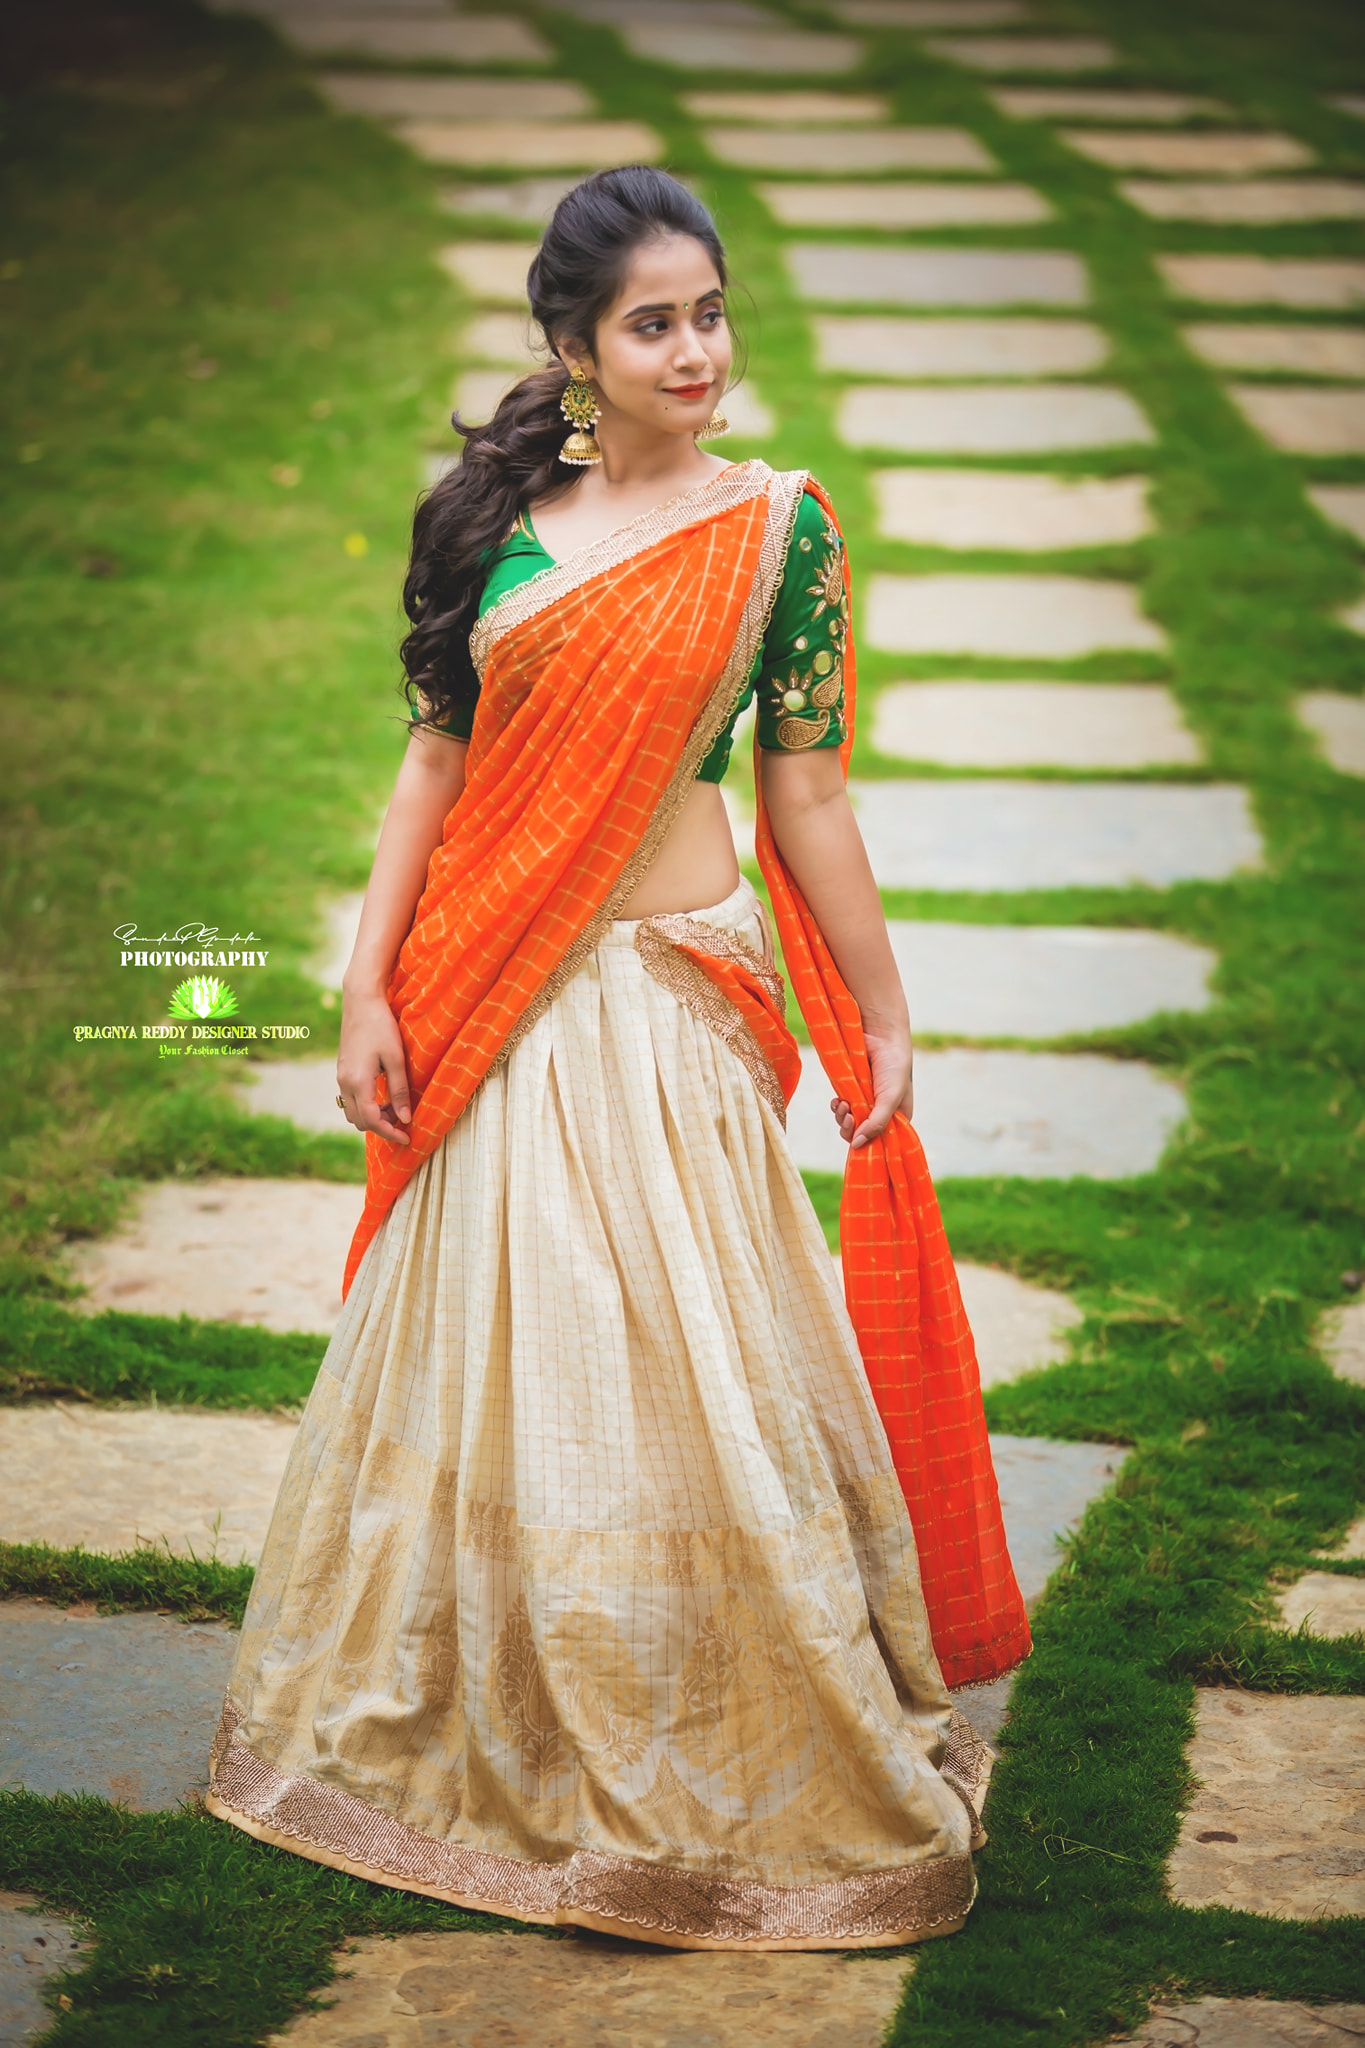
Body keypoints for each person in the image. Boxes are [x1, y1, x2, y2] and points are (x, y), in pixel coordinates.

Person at [207, 166, 1028, 1952]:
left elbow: (808, 793)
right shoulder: (494, 528)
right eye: (651, 324)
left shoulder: (777, 533)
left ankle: (715, 1713)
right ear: (574, 349)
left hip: (674, 995)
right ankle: (502, 1704)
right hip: (497, 993)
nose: (693, 352)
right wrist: (366, 990)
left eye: (708, 314)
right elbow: (434, 764)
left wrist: (879, 1008)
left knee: (697, 1368)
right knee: (519, 1359)